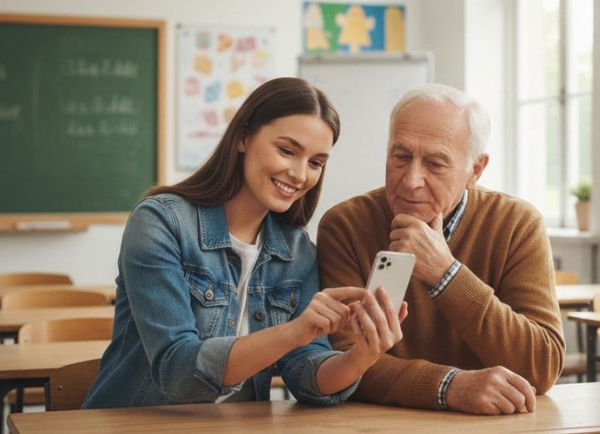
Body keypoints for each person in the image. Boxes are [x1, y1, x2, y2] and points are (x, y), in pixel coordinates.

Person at [83, 77, 406, 409]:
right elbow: (176, 371)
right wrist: (295, 331)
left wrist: (362, 356)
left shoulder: (297, 252)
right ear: (243, 137)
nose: (299, 174)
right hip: (137, 423)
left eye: (315, 163)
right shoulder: (161, 222)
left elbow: (307, 377)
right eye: (286, 150)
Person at [317, 83, 564, 415]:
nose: (411, 180)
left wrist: (447, 275)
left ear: (475, 170)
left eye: (435, 164)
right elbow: (342, 362)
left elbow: (542, 364)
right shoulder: (345, 225)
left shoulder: (517, 224)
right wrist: (450, 386)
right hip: (381, 423)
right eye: (400, 156)